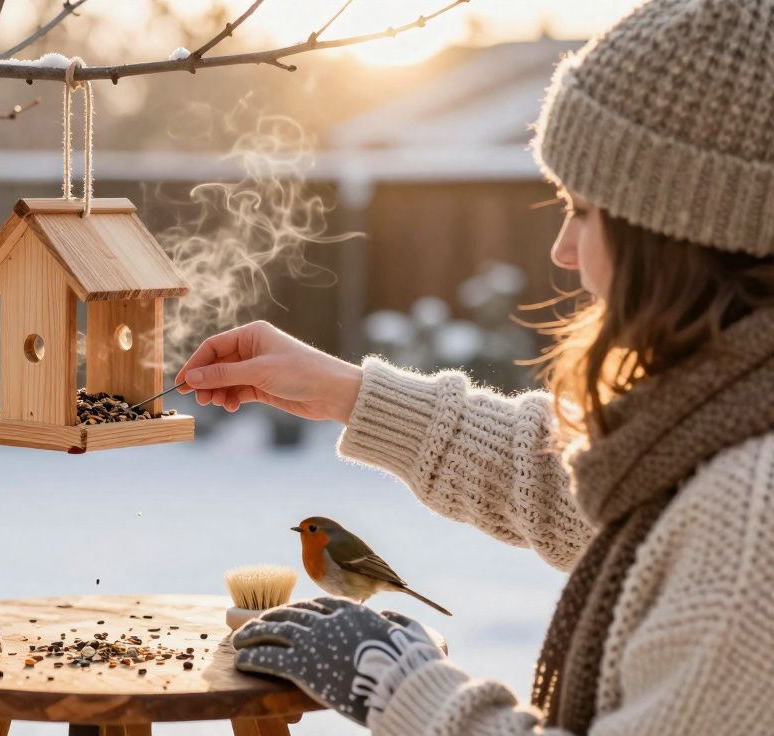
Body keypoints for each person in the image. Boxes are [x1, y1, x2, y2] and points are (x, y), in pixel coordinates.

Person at [176, 0, 774, 733]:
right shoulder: (725, 424)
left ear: (683, 232)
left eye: (582, 210)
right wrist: (351, 395)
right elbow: (574, 484)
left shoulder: (750, 514)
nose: (561, 248)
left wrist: (401, 690)